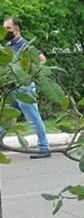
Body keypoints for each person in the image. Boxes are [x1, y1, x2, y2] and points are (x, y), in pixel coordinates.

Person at [3, 17, 51, 159]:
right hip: (12, 88)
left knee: (33, 118)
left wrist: (29, 74)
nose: (6, 32)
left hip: (24, 88)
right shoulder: (9, 45)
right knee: (5, 116)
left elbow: (42, 59)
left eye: (8, 29)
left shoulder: (25, 45)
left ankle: (44, 148)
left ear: (16, 29)